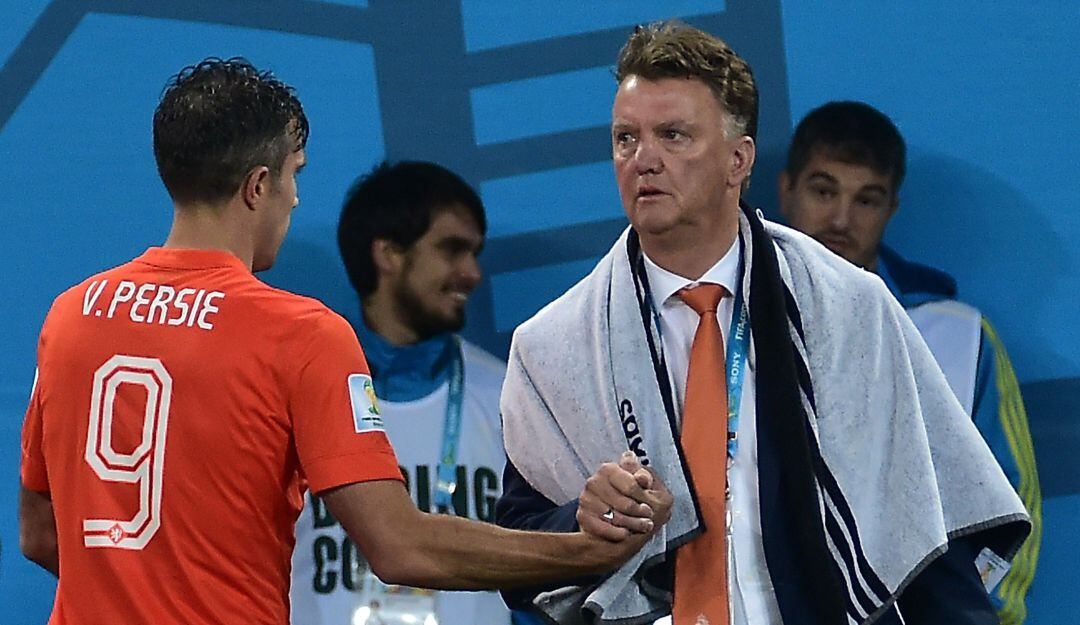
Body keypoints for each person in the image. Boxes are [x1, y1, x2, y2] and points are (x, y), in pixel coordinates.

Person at [17, 57, 668, 625]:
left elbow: (41, 533)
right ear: (257, 185)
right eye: (293, 174)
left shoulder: (72, 315)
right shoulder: (299, 334)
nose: (297, 199)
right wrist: (585, 549)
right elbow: (398, 545)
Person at [495, 22, 1030, 625]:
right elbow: (519, 551)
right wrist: (579, 521)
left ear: (738, 160)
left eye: (673, 135)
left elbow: (926, 525)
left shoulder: (853, 309)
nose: (644, 159)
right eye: (626, 138)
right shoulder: (553, 345)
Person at [777, 100, 1042, 625]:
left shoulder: (960, 338)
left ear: (892, 209)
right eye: (823, 190)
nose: (840, 219)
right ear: (786, 189)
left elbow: (1015, 506)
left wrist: (975, 614)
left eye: (866, 199)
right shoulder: (724, 325)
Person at [291, 161, 513, 625]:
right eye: (453, 250)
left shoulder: (510, 398)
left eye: (475, 252)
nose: (472, 273)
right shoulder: (294, 396)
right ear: (388, 253)